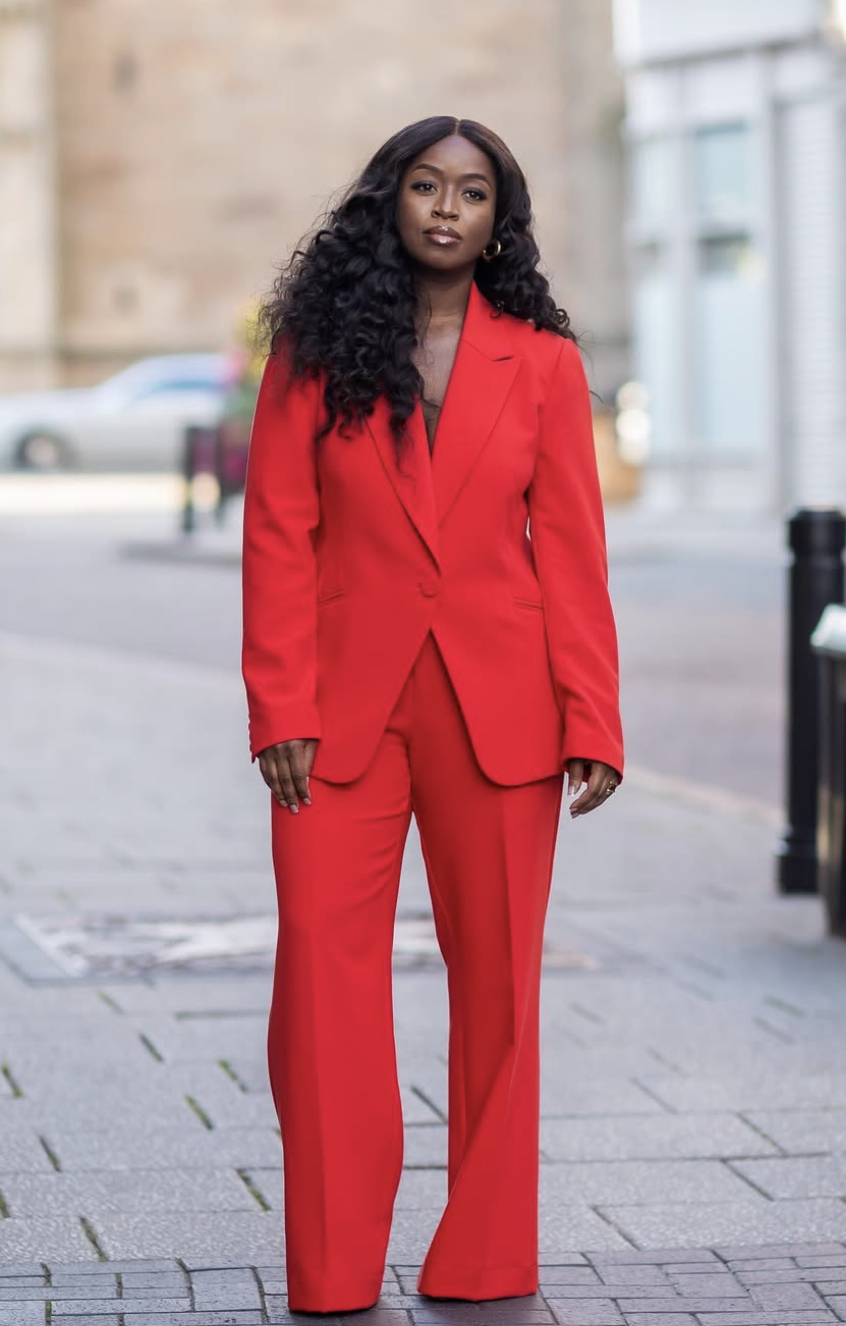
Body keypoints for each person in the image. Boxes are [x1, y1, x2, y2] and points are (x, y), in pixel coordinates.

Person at [241, 115, 623, 1316]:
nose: (447, 209)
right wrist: (279, 706)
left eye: (472, 192)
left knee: (501, 991)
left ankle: (486, 1259)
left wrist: (593, 715)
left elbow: (572, 548)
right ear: (390, 201)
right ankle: (332, 1265)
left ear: (500, 220)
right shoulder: (314, 352)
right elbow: (278, 533)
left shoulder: (545, 365)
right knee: (321, 984)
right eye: (425, 185)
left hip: (500, 711)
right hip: (339, 713)